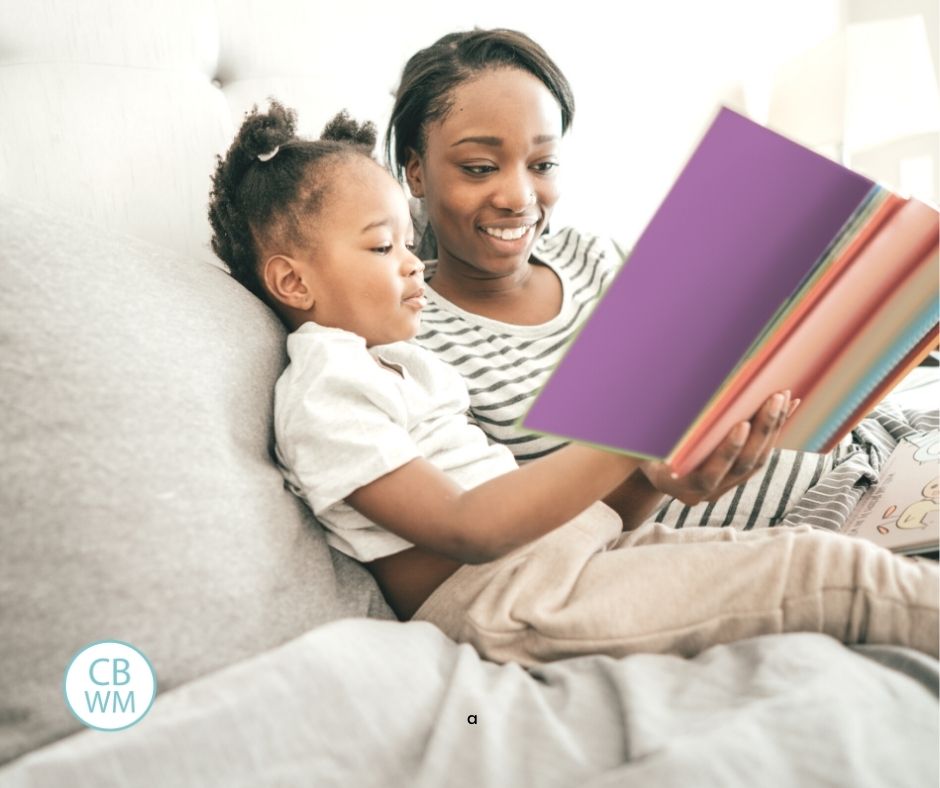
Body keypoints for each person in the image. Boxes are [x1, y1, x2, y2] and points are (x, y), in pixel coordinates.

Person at [206, 100, 938, 667]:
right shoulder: (325, 387)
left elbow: (573, 513)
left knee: (787, 555)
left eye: (407, 239)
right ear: (291, 280)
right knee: (821, 570)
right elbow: (470, 527)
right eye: (381, 245)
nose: (410, 262)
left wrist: (663, 463)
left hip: (571, 560)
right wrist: (636, 433)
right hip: (507, 600)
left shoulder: (395, 363)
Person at [384, 28, 938, 534]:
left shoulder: (589, 253)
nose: (519, 198)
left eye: (543, 165)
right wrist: (647, 483)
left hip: (882, 450)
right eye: (480, 167)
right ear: (414, 169)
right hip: (817, 520)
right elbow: (529, 540)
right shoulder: (413, 337)